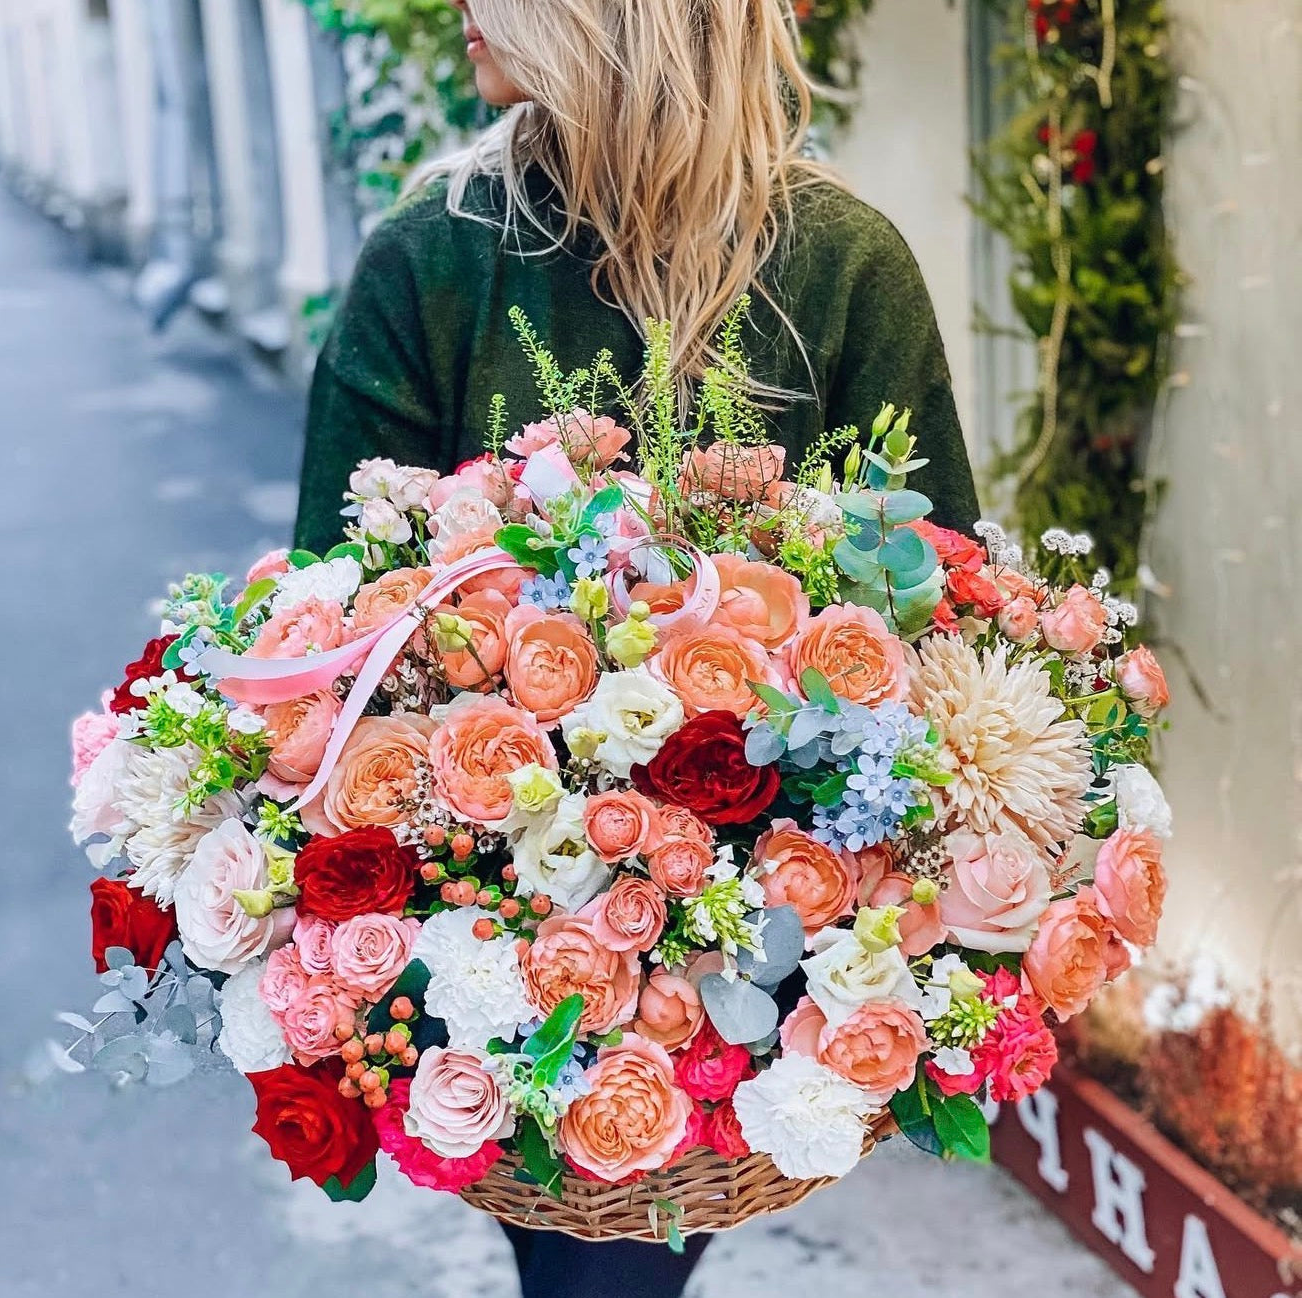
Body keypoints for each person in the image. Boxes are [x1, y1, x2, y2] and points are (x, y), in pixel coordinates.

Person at [294, 1, 978, 1293]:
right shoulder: (434, 261)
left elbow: (944, 609)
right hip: (490, 938)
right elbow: (333, 647)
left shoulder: (839, 264)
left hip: (779, 934)